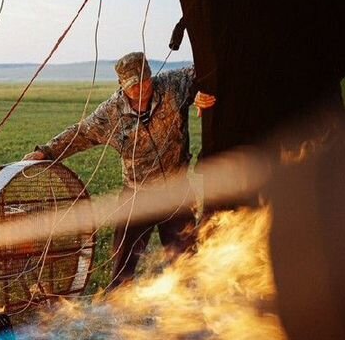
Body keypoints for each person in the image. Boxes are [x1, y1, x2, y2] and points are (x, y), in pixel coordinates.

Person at [24, 52, 216, 286]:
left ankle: (189, 307)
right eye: (134, 85)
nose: (142, 88)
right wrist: (46, 152)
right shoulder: (111, 113)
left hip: (177, 192)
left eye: (145, 80)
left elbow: (204, 68)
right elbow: (81, 133)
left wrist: (200, 93)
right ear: (121, 85)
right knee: (122, 266)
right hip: (138, 195)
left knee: (186, 260)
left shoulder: (173, 85)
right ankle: (118, 308)